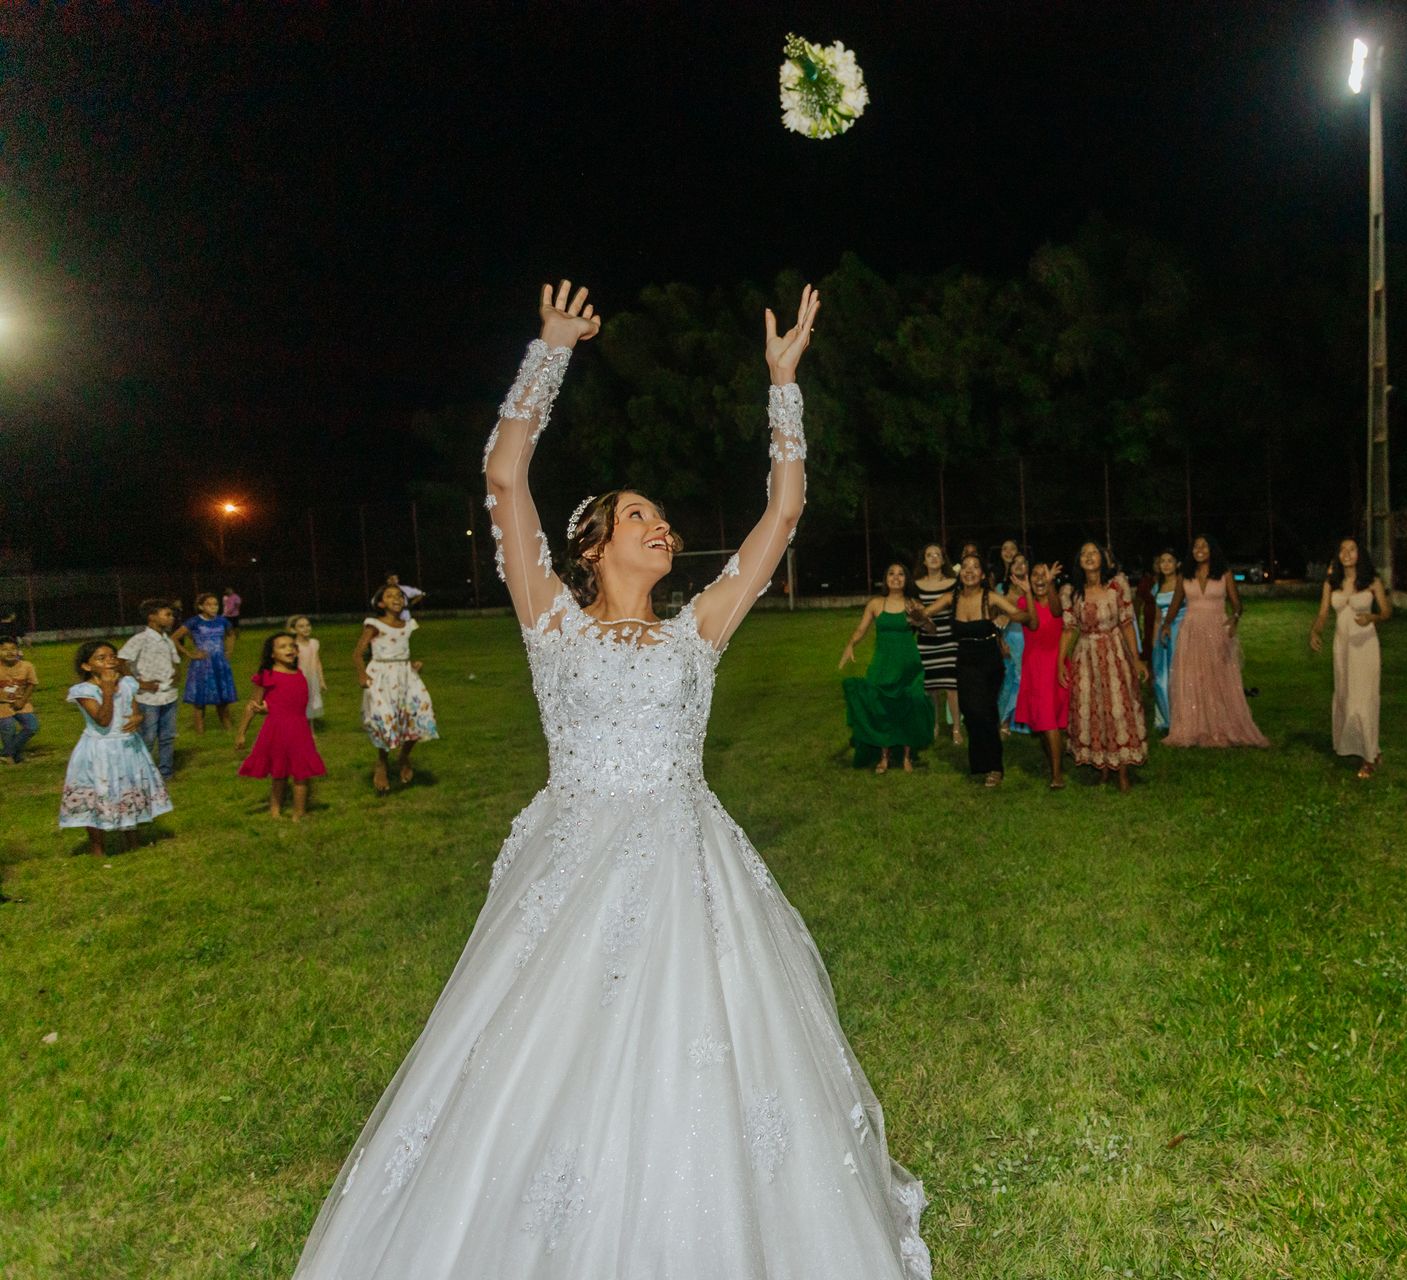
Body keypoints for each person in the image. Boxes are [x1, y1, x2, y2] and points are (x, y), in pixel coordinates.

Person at [294, 281, 932, 1279]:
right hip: (576, 859)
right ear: (593, 543)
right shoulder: (551, 614)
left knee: (705, 1056)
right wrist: (549, 352)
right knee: (549, 1054)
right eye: (641, 514)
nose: (662, 526)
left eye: (665, 518)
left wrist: (783, 388)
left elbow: (787, 507)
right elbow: (505, 478)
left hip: (688, 863)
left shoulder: (700, 626)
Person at [922, 553, 1029, 786]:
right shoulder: (952, 597)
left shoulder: (989, 596)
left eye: (975, 567)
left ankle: (994, 767)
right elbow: (925, 613)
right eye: (966, 567)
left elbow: (1020, 614)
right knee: (971, 713)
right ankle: (980, 763)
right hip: (965, 660)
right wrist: (916, 614)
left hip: (989, 659)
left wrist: (1006, 616)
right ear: (960, 573)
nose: (970, 571)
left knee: (986, 713)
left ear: (982, 574)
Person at [58, 640, 172, 856]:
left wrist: (139, 717)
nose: (109, 661)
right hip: (99, 751)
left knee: (128, 790)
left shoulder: (128, 683)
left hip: (128, 747)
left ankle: (132, 841)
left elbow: (134, 710)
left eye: (112, 656)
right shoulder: (84, 691)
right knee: (98, 793)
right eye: (101, 658)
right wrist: (108, 691)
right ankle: (97, 847)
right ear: (87, 666)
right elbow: (102, 720)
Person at [1060, 540, 1149, 790]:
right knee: (1094, 708)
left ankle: (1122, 770)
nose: (1089, 557)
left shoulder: (1117, 586)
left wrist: (1137, 658)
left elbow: (1127, 623)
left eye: (1094, 553)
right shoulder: (1071, 592)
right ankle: (1102, 767)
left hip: (1114, 653)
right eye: (1084, 554)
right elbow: (1068, 630)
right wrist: (1060, 664)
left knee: (1119, 708)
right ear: (1078, 561)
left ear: (1102, 559)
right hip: (1086, 656)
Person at [1164, 535, 1268, 748]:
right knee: (1194, 677)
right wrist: (1166, 624)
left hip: (1216, 629)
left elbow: (1237, 604)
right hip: (1191, 630)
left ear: (1212, 549)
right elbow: (1175, 602)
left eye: (1204, 545)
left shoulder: (1224, 573)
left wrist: (1235, 618)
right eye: (1196, 546)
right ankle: (1195, 725)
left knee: (1217, 677)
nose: (1199, 549)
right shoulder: (1185, 575)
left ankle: (1221, 724)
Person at [838, 562, 935, 773]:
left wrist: (922, 619)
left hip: (908, 665)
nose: (896, 577)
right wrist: (850, 644)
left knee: (909, 706)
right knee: (881, 708)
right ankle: (884, 756)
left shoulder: (913, 604)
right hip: (883, 664)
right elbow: (861, 629)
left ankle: (907, 757)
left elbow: (931, 629)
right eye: (891, 573)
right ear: (885, 579)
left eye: (901, 574)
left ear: (906, 580)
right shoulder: (875, 604)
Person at [1310, 538, 1392, 777]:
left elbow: (1387, 611)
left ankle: (1369, 757)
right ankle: (1365, 749)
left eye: (1352, 549)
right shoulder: (1331, 583)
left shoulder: (1371, 582)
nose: (1346, 553)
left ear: (1360, 554)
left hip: (1365, 646)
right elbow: (1323, 614)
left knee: (1363, 700)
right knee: (1346, 696)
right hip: (1342, 647)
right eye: (1342, 549)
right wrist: (1315, 631)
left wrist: (1372, 618)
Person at [353, 583, 439, 794]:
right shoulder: (375, 624)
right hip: (381, 677)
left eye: (400, 595)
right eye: (390, 595)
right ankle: (382, 762)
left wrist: (412, 664)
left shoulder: (408, 624)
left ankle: (403, 756)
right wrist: (362, 674)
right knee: (386, 718)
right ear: (381, 603)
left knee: (420, 713)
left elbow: (401, 651)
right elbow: (357, 653)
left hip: (406, 676)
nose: (397, 598)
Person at [235, 631, 326, 819]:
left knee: (302, 773)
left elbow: (291, 703)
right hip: (277, 730)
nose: (289, 649)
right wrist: (241, 733)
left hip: (300, 729)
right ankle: (275, 812)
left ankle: (298, 814)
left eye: (292, 646)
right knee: (279, 772)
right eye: (282, 646)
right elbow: (253, 705)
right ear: (272, 654)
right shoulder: (267, 675)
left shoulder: (299, 673)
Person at [1013, 556, 1070, 790]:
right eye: (1034, 574)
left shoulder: (1057, 599)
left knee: (1049, 721)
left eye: (1042, 574)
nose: (1039, 579)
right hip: (1034, 665)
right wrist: (1027, 593)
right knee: (1045, 722)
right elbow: (1033, 624)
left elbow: (1057, 613)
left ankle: (1057, 775)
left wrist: (1051, 584)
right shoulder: (1022, 602)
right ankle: (1056, 763)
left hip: (1055, 663)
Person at [118, 598, 183, 778]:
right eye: (167, 614)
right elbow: (121, 662)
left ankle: (165, 773)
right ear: (152, 617)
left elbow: (176, 661)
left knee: (168, 736)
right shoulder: (140, 639)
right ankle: (141, 773)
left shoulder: (167, 640)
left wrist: (177, 673)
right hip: (148, 698)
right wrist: (139, 683)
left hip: (169, 695)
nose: (172, 619)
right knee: (147, 737)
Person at [912, 542, 960, 745]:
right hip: (926, 642)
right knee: (931, 687)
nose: (933, 557)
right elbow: (915, 614)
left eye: (937, 554)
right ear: (924, 560)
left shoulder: (953, 583)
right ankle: (934, 725)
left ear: (943, 559)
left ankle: (956, 727)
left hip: (949, 641)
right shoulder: (915, 585)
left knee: (952, 686)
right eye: (929, 555)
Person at [177, 591, 238, 734]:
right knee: (200, 701)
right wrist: (190, 654)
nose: (213, 607)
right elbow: (174, 637)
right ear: (201, 607)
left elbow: (231, 635)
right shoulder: (194, 621)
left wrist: (228, 652)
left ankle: (229, 730)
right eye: (209, 605)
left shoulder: (223, 621)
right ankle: (200, 733)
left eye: (216, 604)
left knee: (223, 699)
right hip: (202, 666)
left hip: (219, 664)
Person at [1140, 549, 1182, 733]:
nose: (1165, 564)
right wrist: (1153, 643)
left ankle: (1184, 719)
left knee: (1178, 678)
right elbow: (1157, 617)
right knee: (1160, 678)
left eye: (1169, 561)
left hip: (1180, 632)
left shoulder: (1184, 584)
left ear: (1177, 564)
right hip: (1161, 637)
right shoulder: (1157, 586)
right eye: (1162, 561)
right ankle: (1168, 719)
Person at [995, 550, 1029, 736]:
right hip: (1007, 640)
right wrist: (1000, 642)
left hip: (1027, 641)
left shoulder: (1031, 589)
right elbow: (992, 618)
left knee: (1023, 680)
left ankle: (1022, 720)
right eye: (1015, 562)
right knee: (1008, 680)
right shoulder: (1000, 590)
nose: (1019, 565)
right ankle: (1004, 720)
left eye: (1023, 562)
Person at [0, 637, 40, 765]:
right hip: (2, 704)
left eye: (13, 649)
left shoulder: (27, 666)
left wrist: (22, 701)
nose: (10, 652)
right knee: (8, 727)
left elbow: (32, 684)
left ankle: (7, 753)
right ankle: (15, 757)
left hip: (22, 703)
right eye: (4, 649)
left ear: (18, 651)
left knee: (32, 726)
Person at [289, 614, 327, 720]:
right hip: (299, 679)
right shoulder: (294, 646)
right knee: (299, 703)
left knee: (311, 702)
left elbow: (317, 662)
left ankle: (310, 729)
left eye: (308, 625)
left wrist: (321, 680)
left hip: (312, 678)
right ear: (293, 629)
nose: (306, 628)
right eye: (301, 626)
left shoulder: (314, 643)